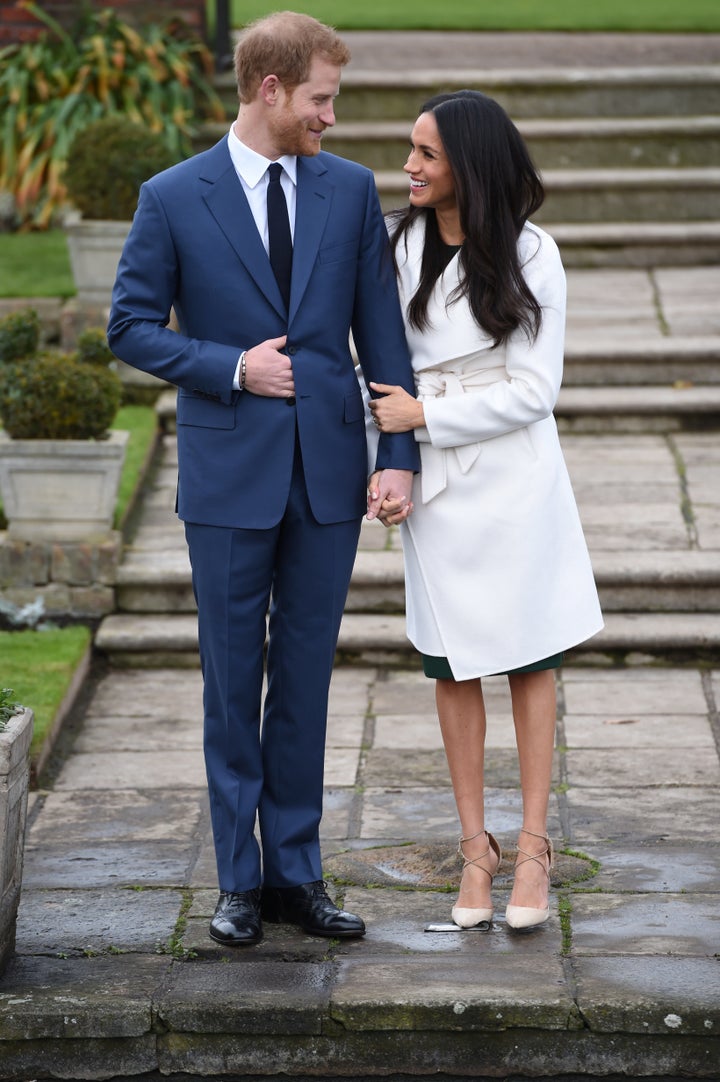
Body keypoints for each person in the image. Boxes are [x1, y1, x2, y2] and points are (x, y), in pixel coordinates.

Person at [107, 11, 419, 947]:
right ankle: (237, 882)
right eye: (321, 98)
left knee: (307, 682)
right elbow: (129, 327)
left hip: (328, 474)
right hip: (229, 474)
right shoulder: (171, 195)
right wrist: (233, 367)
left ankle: (297, 875)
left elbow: (383, 334)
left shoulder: (351, 191)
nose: (331, 116)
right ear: (272, 89)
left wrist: (397, 454)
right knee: (231, 678)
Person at [367, 90, 603, 931]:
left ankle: (534, 846)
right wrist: (389, 464)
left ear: (470, 162)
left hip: (516, 480)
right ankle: (477, 847)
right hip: (435, 489)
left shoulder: (533, 252)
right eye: (410, 149)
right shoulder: (395, 246)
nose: (409, 167)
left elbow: (536, 390)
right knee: (451, 663)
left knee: (530, 660)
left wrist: (426, 416)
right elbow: (379, 370)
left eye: (426, 153)